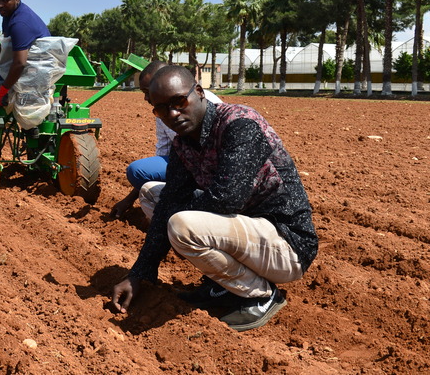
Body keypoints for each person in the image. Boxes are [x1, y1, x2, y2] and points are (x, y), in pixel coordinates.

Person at [111, 66, 317, 332]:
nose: (172, 114)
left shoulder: (240, 124)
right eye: (162, 109)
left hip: (286, 244)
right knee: (153, 194)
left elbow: (226, 199)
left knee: (180, 224)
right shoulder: (184, 143)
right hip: (249, 234)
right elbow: (171, 199)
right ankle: (223, 285)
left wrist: (174, 214)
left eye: (179, 102)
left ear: (199, 92)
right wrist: (139, 273)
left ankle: (260, 295)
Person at [110, 61, 222, 221]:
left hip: (215, 168)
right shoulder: (161, 113)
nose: (146, 97)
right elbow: (165, 154)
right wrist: (129, 199)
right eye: (144, 92)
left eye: (148, 90)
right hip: (189, 164)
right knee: (138, 171)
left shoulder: (207, 103)